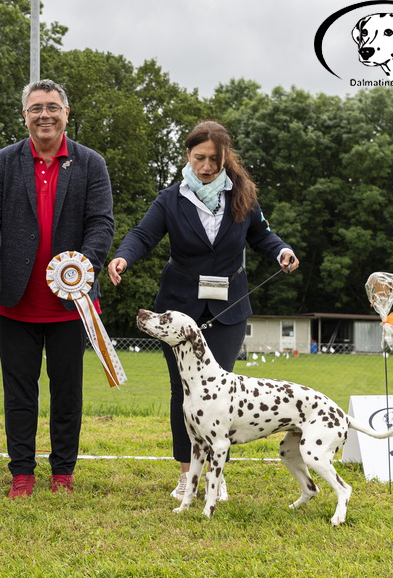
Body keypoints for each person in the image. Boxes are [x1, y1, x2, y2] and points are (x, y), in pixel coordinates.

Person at [107, 120, 299, 500]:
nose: (207, 166)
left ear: (225, 157)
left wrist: (282, 251)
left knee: (221, 393)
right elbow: (143, 235)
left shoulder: (243, 194)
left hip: (229, 308)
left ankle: (216, 473)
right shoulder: (171, 198)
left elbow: (262, 235)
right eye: (199, 158)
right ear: (188, 156)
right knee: (185, 394)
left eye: (213, 159)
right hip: (179, 310)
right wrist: (123, 259)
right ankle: (185, 475)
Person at [0, 80, 115, 498]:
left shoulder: (91, 163)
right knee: (20, 392)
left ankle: (63, 473)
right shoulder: (2, 162)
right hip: (15, 300)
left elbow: (101, 223)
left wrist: (83, 267)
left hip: (73, 302)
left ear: (66, 113)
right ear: (25, 116)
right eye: (36, 109)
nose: (44, 115)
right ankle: (22, 474)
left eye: (52, 107)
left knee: (67, 392)